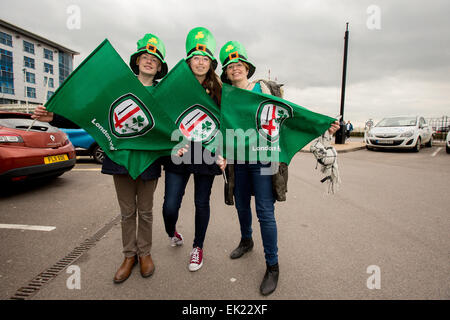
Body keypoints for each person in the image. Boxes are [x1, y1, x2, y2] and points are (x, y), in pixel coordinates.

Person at [32, 33, 169, 284]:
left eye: (154, 59)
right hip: (120, 158)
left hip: (148, 160)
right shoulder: (119, 86)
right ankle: (129, 256)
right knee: (128, 212)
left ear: (160, 67)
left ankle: (145, 253)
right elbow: (88, 113)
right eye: (145, 57)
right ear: (137, 61)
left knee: (146, 212)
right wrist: (54, 117)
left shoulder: (163, 93)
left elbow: (173, 126)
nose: (149, 61)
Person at [219, 40, 340, 296]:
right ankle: (246, 240)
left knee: (264, 210)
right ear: (226, 73)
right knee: (241, 204)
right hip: (239, 161)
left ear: (247, 67)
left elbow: (290, 115)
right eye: (230, 66)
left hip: (264, 160)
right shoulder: (225, 96)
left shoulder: (265, 90)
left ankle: (272, 266)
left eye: (239, 64)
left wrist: (322, 125)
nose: (235, 68)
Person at [161, 27, 225, 272]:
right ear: (188, 62)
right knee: (170, 206)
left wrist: (223, 152)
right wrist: (170, 143)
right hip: (180, 152)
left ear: (211, 64)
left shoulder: (219, 90)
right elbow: (162, 117)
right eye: (196, 58)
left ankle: (198, 247)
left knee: (202, 203)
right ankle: (172, 231)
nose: (200, 62)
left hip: (206, 154)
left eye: (205, 59)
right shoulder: (174, 86)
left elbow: (227, 122)